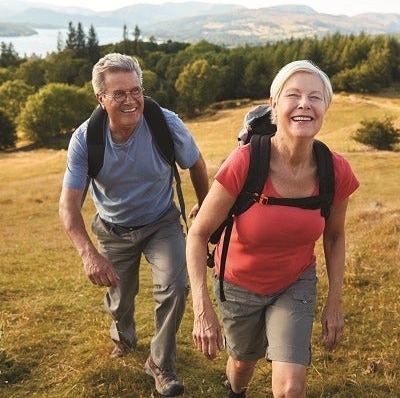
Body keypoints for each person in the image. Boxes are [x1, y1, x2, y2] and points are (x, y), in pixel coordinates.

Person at [186, 60, 359, 398]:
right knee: (241, 366)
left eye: (315, 97)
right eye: (293, 95)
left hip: (294, 281)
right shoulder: (246, 162)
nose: (304, 104)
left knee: (292, 387)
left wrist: (334, 301)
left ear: (325, 107)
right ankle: (236, 391)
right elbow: (197, 234)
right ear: (274, 105)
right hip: (237, 282)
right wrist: (201, 308)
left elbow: (335, 235)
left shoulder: (334, 170)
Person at [59, 53, 209, 397]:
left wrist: (204, 209)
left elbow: (196, 164)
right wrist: (88, 254)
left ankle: (160, 363)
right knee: (120, 299)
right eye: (119, 94)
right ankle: (123, 337)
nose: (131, 100)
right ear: (101, 98)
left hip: (162, 222)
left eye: (136, 90)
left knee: (175, 286)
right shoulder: (86, 139)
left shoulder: (165, 122)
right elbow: (68, 206)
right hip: (113, 229)